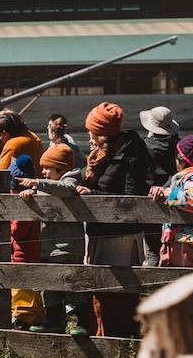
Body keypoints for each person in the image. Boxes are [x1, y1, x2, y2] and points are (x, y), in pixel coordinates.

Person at [76, 102, 149, 338]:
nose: (88, 134)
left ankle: (118, 344)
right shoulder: (103, 152)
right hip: (100, 229)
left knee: (117, 293)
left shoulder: (131, 153)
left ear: (100, 131)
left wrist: (93, 195)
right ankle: (102, 340)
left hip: (120, 234)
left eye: (90, 130)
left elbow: (131, 196)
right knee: (100, 289)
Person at [16, 144, 89, 334]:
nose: (44, 172)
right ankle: (54, 320)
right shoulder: (48, 185)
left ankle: (85, 321)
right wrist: (30, 194)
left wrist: (37, 183)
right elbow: (44, 191)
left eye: (48, 168)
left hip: (68, 246)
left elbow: (64, 189)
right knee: (50, 286)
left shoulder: (71, 178)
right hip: (48, 245)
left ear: (61, 167)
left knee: (72, 284)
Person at [8, 154, 45, 330]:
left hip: (23, 254)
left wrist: (9, 220)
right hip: (30, 252)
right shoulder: (33, 199)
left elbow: (18, 231)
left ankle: (24, 319)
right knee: (32, 288)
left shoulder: (23, 205)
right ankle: (36, 316)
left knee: (22, 288)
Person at [141, 106, 181, 266]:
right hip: (173, 198)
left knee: (152, 252)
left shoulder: (145, 147)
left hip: (150, 199)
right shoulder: (178, 148)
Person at [149, 134, 193, 267]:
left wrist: (170, 194)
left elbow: (191, 199)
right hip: (176, 239)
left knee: (182, 282)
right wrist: (163, 190)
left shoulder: (190, 177)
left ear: (181, 160)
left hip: (184, 240)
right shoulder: (183, 178)